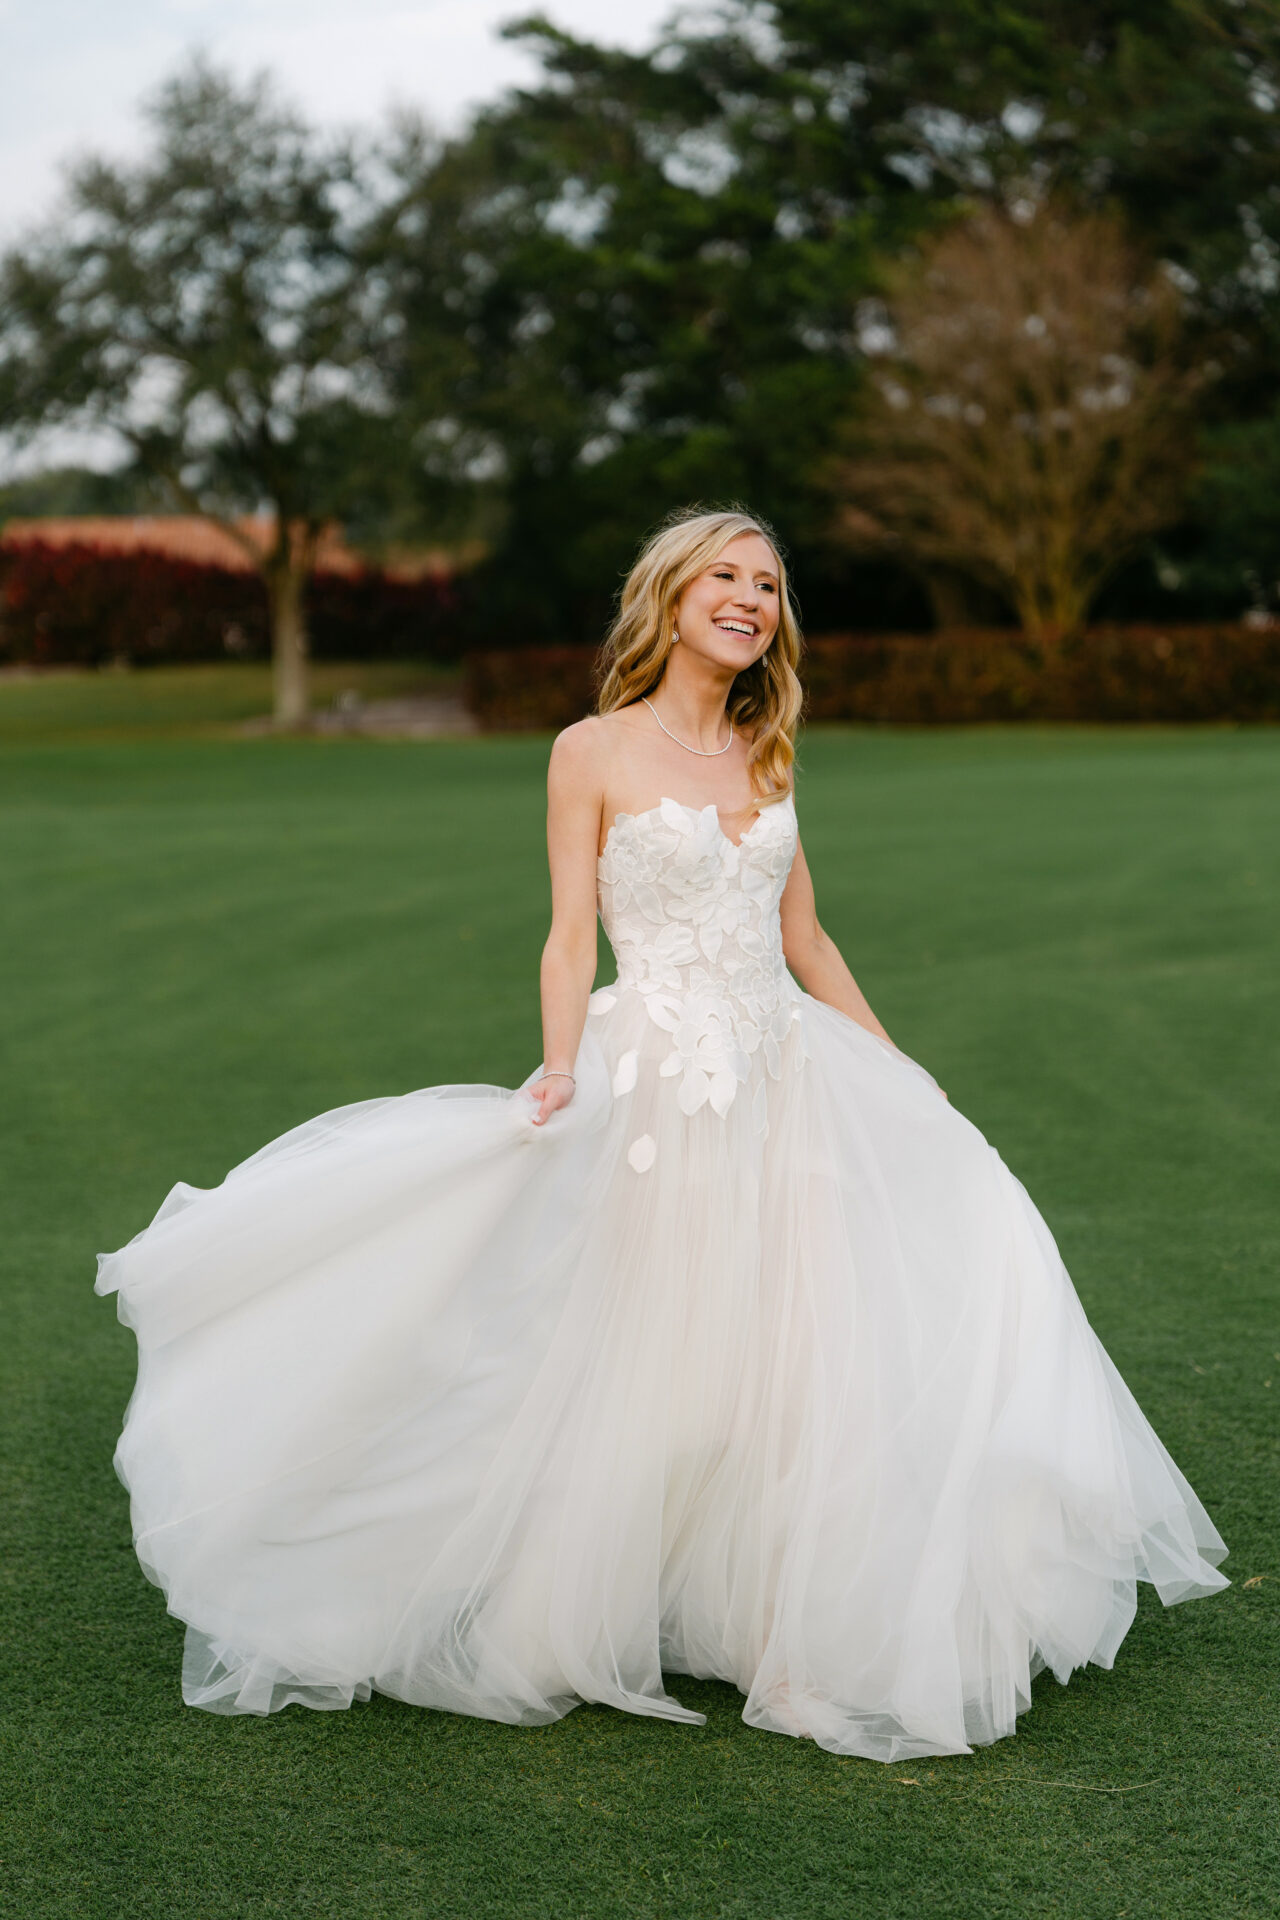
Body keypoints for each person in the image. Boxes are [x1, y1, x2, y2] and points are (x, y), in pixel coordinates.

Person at [97, 506, 1227, 1761]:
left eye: (768, 585)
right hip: (656, 1088)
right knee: (650, 1366)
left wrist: (904, 1077)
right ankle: (566, 1602)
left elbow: (805, 941)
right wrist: (560, 1069)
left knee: (802, 1364)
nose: (750, 599)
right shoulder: (589, 750)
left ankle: (787, 1646)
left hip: (786, 1079)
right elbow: (568, 934)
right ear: (672, 596)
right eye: (727, 579)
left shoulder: (770, 751)